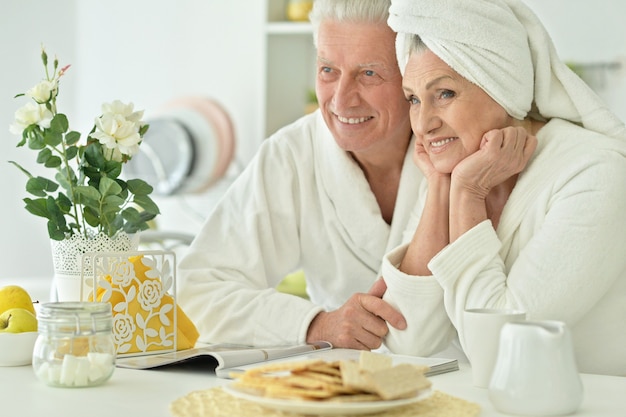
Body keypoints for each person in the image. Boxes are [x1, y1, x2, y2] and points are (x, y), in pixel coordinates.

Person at [379, 0, 626, 376]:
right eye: (413, 98)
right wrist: (440, 187)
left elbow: (497, 357)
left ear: (501, 86)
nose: (423, 124)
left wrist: (466, 195)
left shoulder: (594, 173)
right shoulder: (455, 166)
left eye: (444, 94)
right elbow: (407, 341)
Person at [177, 0, 421, 351]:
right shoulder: (292, 155)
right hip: (337, 387)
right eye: (327, 70)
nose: (341, 100)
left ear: (411, 76)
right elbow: (196, 293)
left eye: (368, 73)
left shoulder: (459, 152)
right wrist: (315, 324)